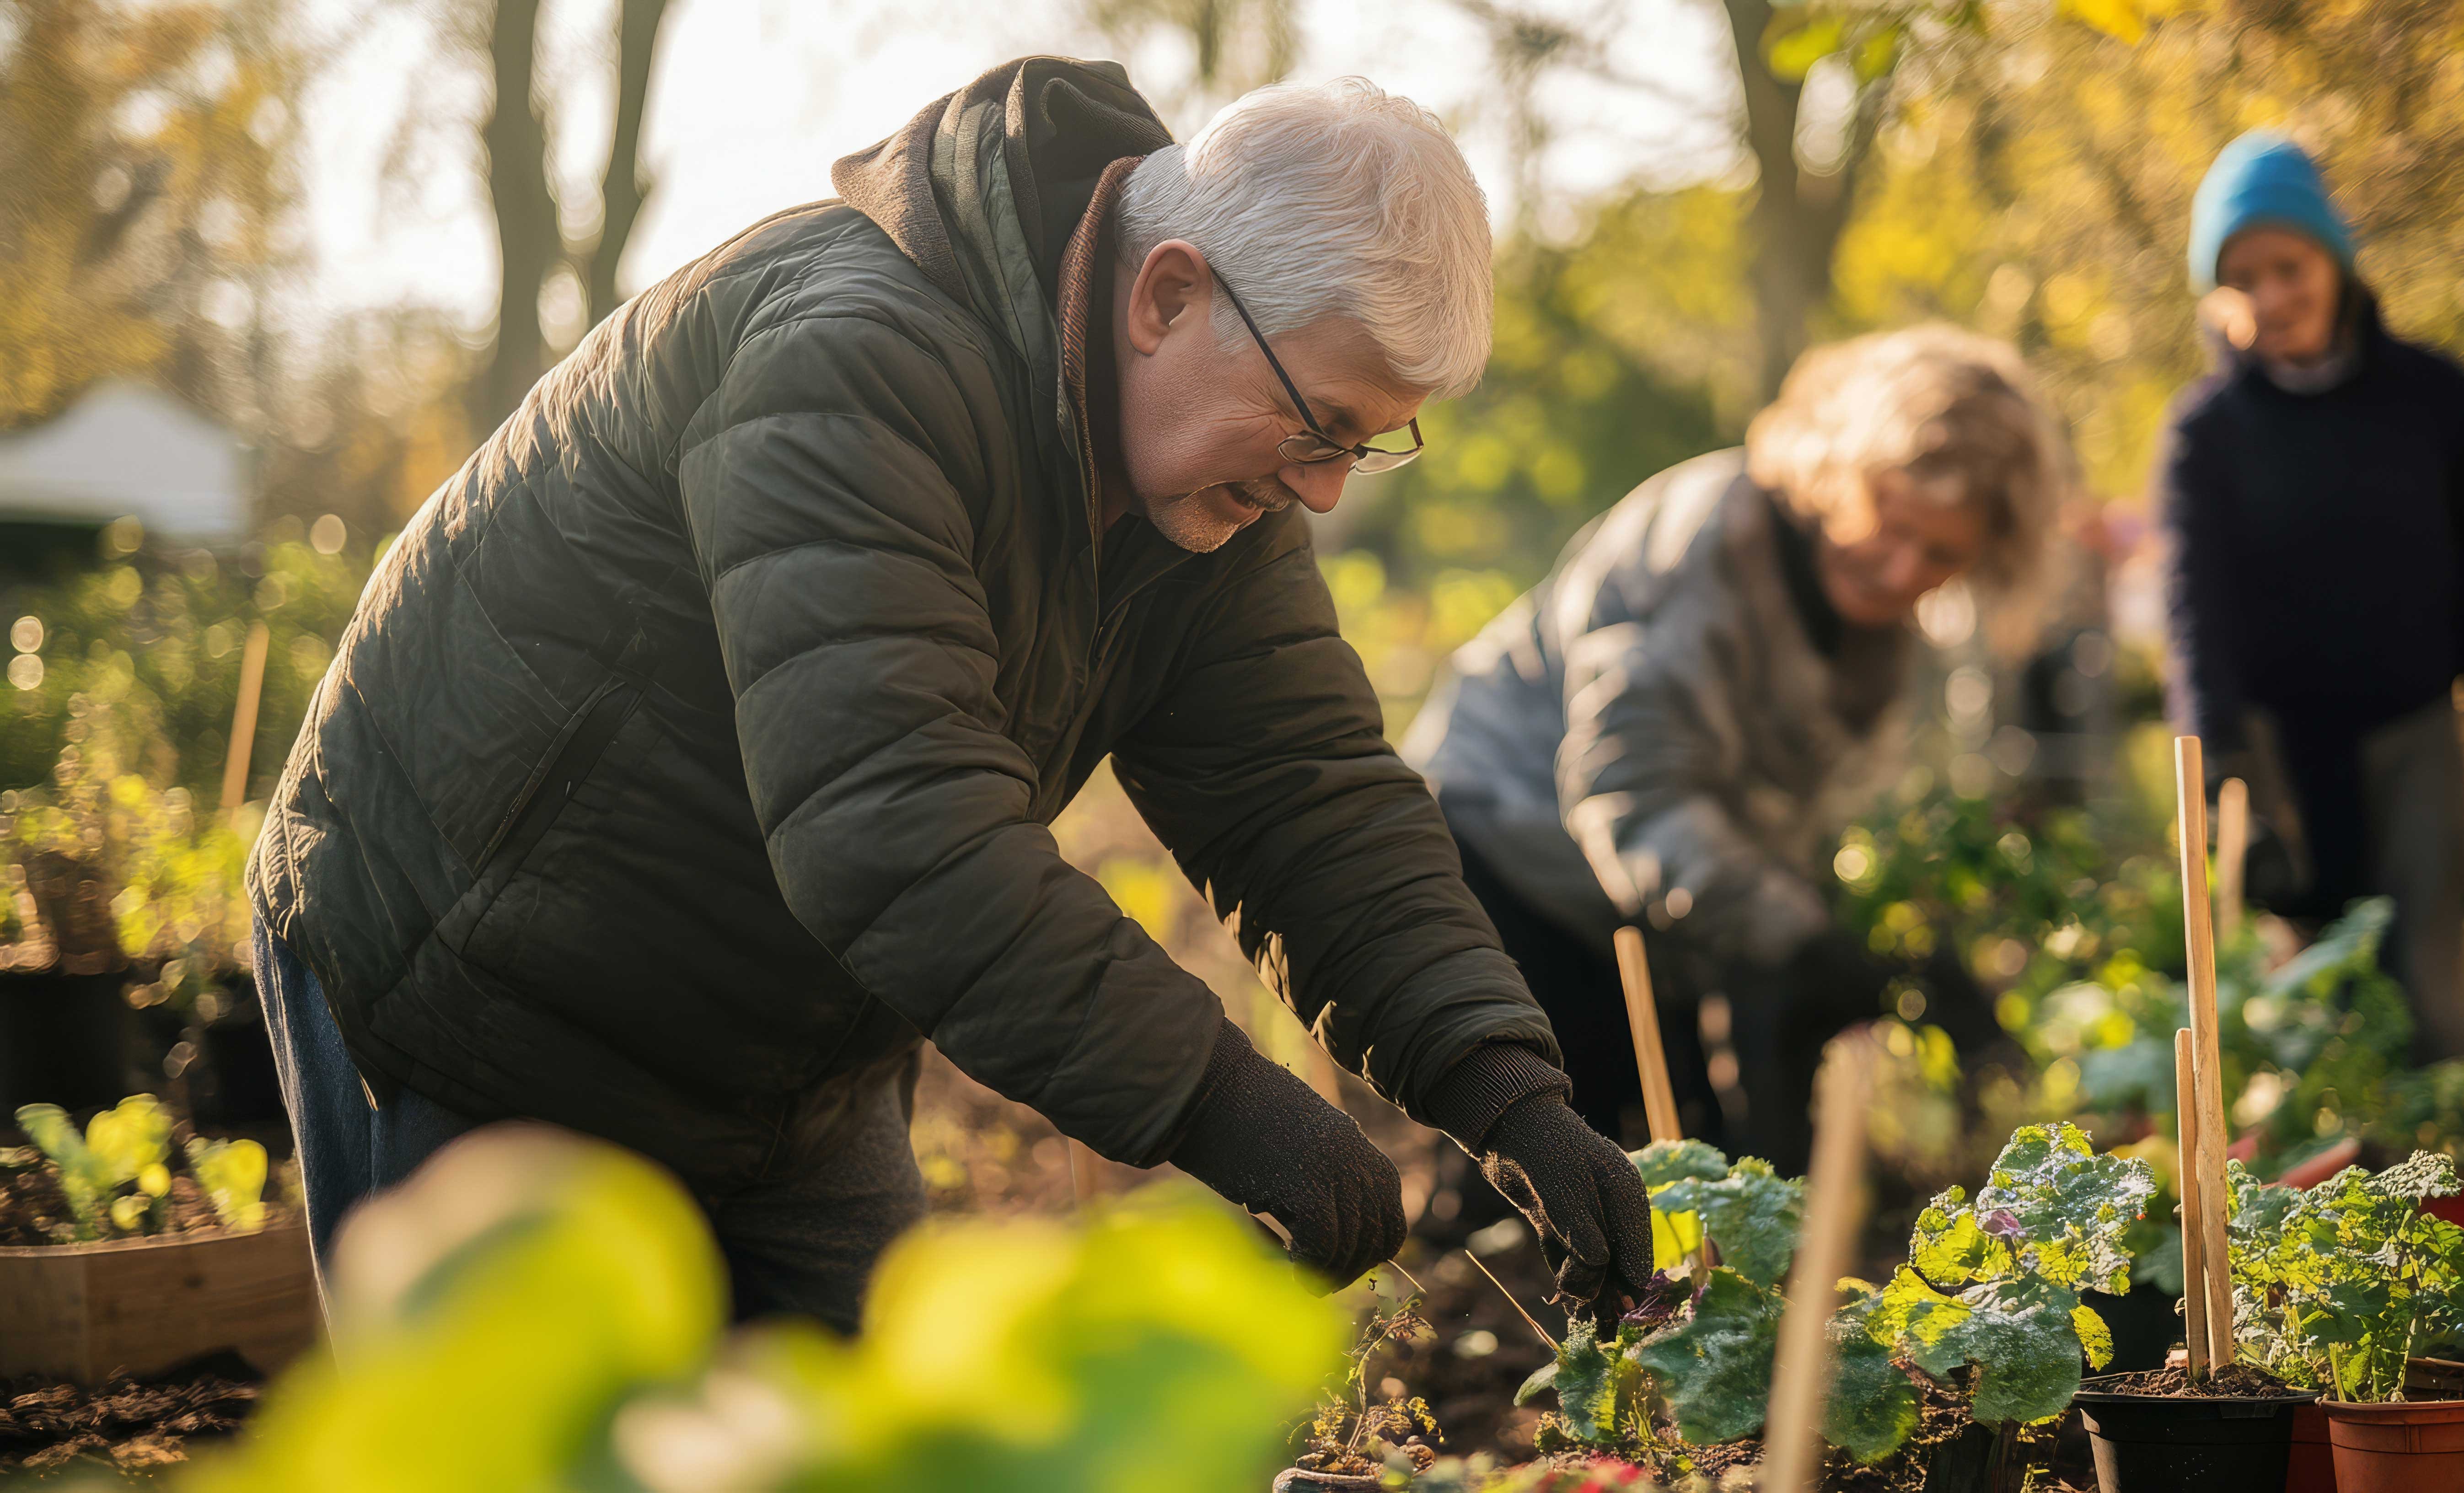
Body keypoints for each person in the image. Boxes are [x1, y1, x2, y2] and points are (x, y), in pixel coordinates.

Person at [246, 58, 1652, 1330]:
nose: (1327, 487)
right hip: (477, 983)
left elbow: (1308, 796)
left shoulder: (1206, 487)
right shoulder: (848, 355)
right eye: (1319, 424)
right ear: (1168, 293)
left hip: (789, 1039)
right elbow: (894, 824)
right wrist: (1231, 1106)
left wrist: (1503, 1088)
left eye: (1370, 442)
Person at [1405, 326, 2065, 1176]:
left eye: (1941, 555)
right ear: (1839, 473)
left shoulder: (1890, 635)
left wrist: (1910, 955)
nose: (1903, 571)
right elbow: (1633, 798)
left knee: (1723, 1169)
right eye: (1890, 523)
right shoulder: (1708, 547)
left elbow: (1826, 818)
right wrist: (1798, 937)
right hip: (1507, 852)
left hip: (1652, 896)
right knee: (1577, 1157)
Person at [2159, 131, 2464, 1063]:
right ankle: (2327, 1204)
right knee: (2313, 1013)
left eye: (2286, 267)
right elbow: (2193, 622)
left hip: (2416, 736)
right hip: (2282, 761)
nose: (2269, 298)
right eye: (2241, 279)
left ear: (2331, 257)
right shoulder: (2206, 435)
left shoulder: (2437, 400)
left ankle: (2445, 1196)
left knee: (2428, 996)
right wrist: (2222, 790)